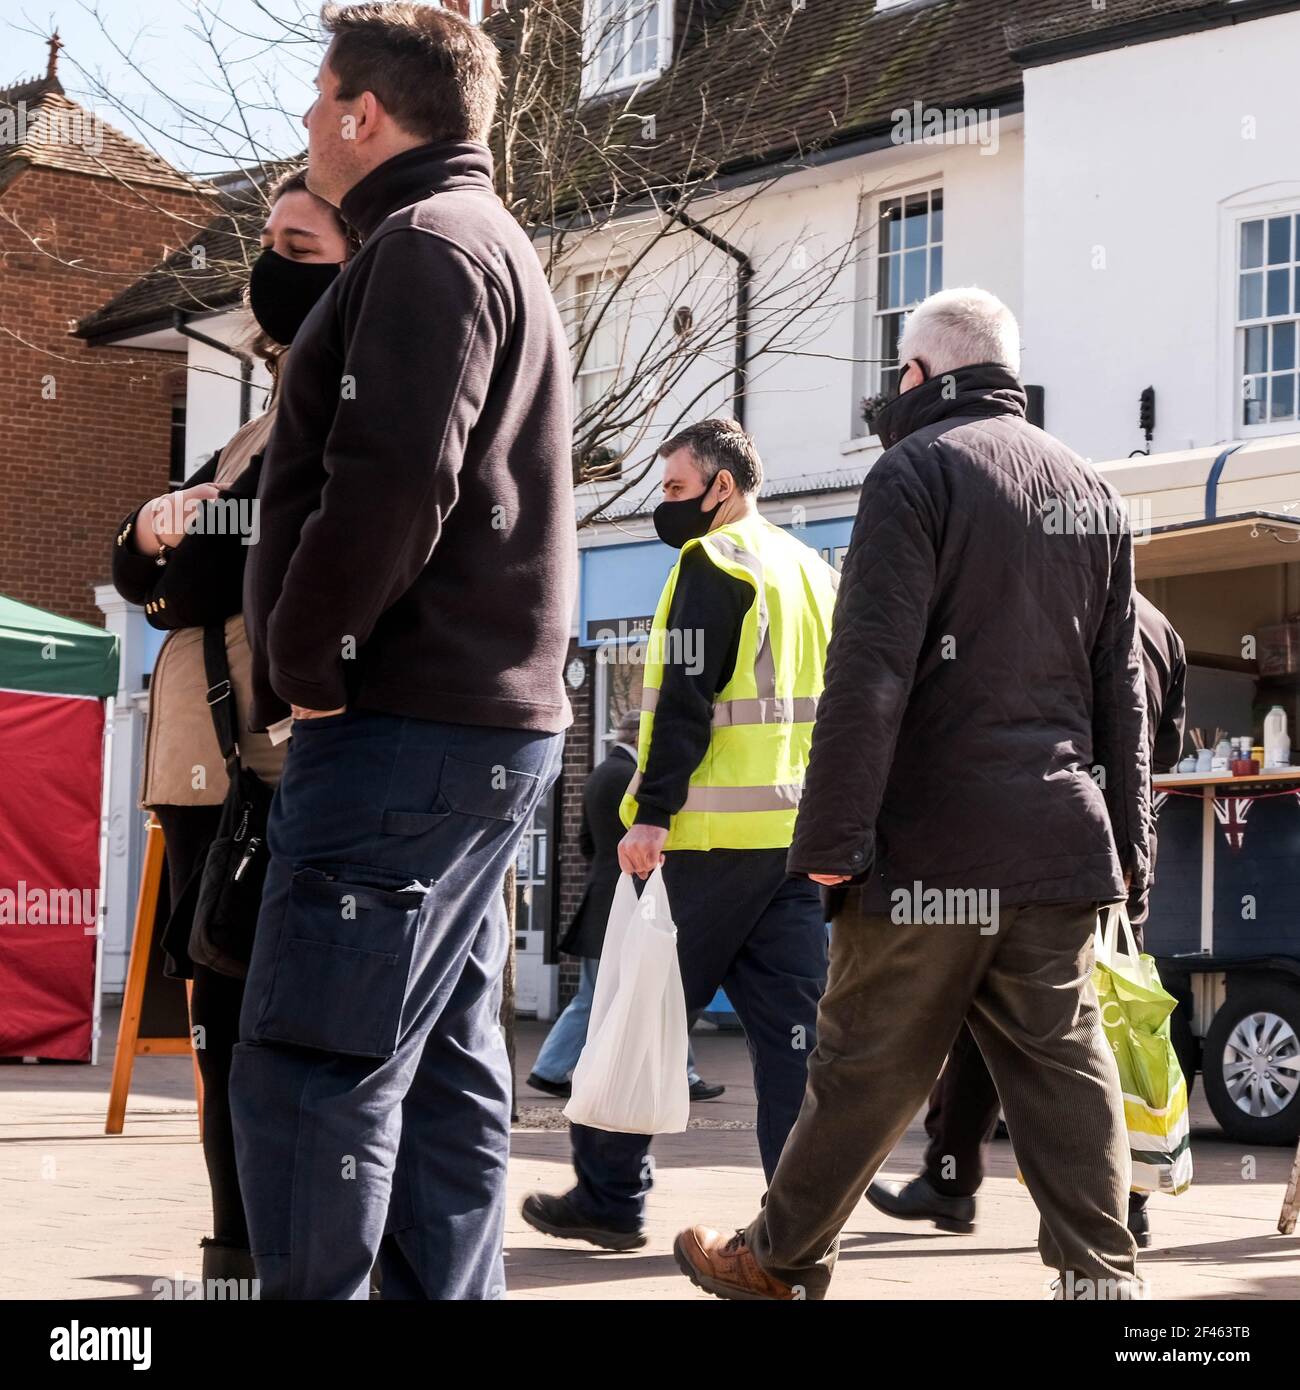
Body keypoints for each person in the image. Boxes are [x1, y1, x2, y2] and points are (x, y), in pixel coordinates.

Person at [673, 287, 1152, 1301]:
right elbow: (1124, 692)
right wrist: (1131, 856)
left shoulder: (914, 470)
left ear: (922, 373)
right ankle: (1103, 1283)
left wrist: (830, 840)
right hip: (1059, 843)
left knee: (861, 1066)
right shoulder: (1091, 490)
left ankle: (780, 1261)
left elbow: (871, 671)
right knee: (1065, 1072)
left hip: (932, 846)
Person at [227, 2, 576, 1302]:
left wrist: (305, 664)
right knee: (435, 1071)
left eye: (316, 98)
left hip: (400, 733)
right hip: (466, 733)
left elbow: (390, 483)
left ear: (363, 113)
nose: (306, 122)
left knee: (315, 1067)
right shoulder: (482, 239)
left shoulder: (426, 247)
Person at [109, 168, 352, 1291]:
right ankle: (235, 1254)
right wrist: (156, 534)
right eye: (270, 243)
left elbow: (206, 568)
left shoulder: (327, 411)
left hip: (262, 767)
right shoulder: (262, 422)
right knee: (222, 1016)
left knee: (252, 1020)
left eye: (297, 249)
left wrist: (174, 542)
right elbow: (138, 561)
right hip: (211, 773)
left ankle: (258, 1258)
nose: (268, 267)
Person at [522, 418, 838, 1251]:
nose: (664, 505)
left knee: (636, 1015)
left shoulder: (714, 560)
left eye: (674, 488)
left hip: (703, 843)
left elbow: (687, 700)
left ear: (722, 486)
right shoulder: (814, 572)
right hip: (791, 847)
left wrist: (654, 813)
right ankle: (801, 1228)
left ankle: (609, 1198)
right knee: (794, 1045)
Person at [867, 593, 1186, 1250]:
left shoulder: (1065, 609)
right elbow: (1166, 750)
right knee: (1110, 1016)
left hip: (1054, 846)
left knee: (1011, 1008)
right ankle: (1110, 1199)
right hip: (1123, 850)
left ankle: (978, 1186)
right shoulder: (1164, 631)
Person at [527, 709, 724, 1103]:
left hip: (602, 897)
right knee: (659, 986)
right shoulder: (634, 780)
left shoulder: (599, 774)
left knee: (594, 994)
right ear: (640, 738)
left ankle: (549, 1067)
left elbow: (585, 842)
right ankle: (682, 1075)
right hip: (633, 897)